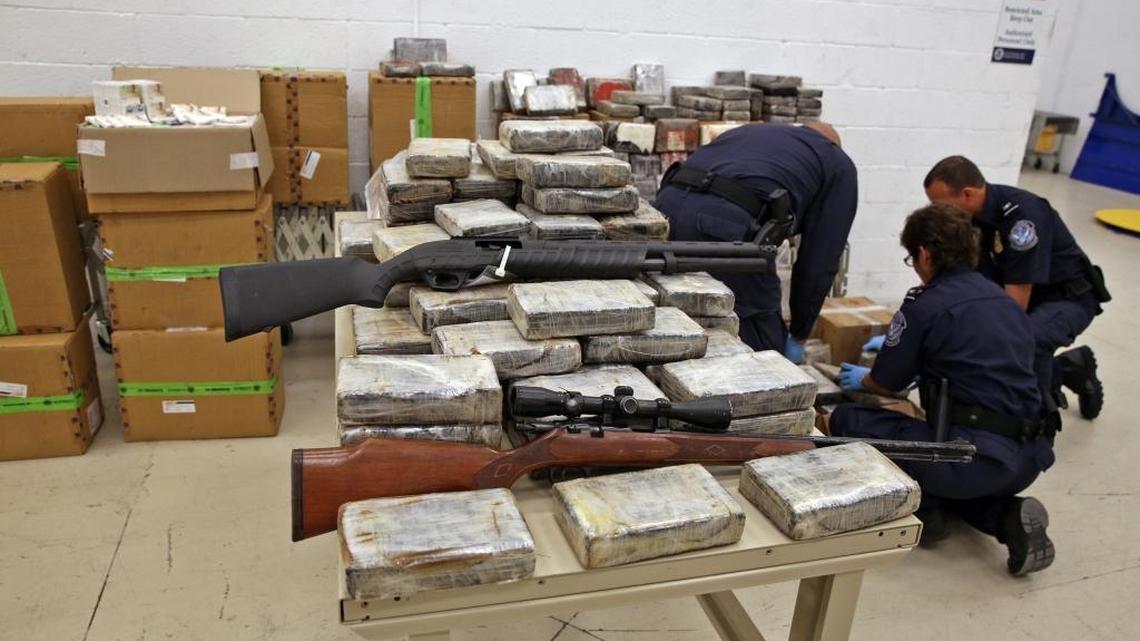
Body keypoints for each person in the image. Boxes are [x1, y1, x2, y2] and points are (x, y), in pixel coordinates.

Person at [832, 203, 1056, 576]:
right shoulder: (1004, 301)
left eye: (911, 258)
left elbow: (886, 383)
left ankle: (927, 504)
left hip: (969, 458)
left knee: (848, 419)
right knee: (958, 461)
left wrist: (864, 377)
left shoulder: (924, 304)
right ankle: (1006, 517)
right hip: (1028, 457)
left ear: (924, 253)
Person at [923, 156, 1108, 421]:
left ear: (967, 194)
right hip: (1026, 296)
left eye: (940, 205)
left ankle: (1036, 422)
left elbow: (1015, 307)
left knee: (1024, 341)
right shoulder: (970, 219)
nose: (937, 212)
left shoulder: (1022, 217)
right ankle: (1069, 369)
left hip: (1067, 298)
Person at [654, 122, 857, 360]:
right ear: (834, 145)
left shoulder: (754, 132)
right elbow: (819, 262)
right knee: (758, 332)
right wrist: (800, 334)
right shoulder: (837, 164)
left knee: (676, 311)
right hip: (723, 227)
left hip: (665, 208)